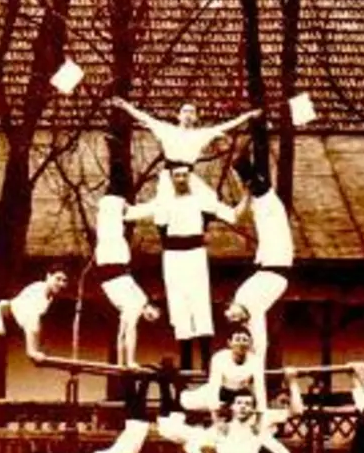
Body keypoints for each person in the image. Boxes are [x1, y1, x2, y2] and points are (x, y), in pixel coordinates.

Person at [125, 165, 238, 368]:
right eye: (177, 175)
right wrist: (122, 208)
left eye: (184, 175)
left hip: (195, 254)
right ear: (171, 178)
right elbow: (139, 211)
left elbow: (229, 213)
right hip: (173, 256)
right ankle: (185, 360)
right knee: (178, 303)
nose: (181, 179)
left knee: (200, 301)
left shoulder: (200, 200)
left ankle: (206, 360)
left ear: (190, 177)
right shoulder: (164, 203)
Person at [111, 96, 259, 205]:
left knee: (210, 201)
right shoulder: (166, 130)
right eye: (185, 111)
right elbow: (145, 117)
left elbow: (228, 125)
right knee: (164, 208)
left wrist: (248, 115)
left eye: (192, 112)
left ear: (195, 117)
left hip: (188, 175)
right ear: (178, 115)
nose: (188, 115)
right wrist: (125, 106)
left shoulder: (201, 134)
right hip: (169, 175)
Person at [223, 156, 293, 355]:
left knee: (263, 217)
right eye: (235, 317)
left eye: (229, 314)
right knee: (272, 214)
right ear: (243, 319)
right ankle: (245, 168)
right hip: (278, 261)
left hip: (266, 261)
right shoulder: (254, 311)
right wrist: (256, 358)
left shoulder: (240, 297)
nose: (231, 313)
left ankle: (247, 172)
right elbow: (260, 339)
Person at [94, 195, 162, 366]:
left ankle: (113, 203)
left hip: (109, 267)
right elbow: (130, 283)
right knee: (112, 231)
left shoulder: (134, 308)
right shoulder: (141, 300)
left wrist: (125, 362)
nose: (150, 316)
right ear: (153, 308)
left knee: (109, 229)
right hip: (119, 264)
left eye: (150, 319)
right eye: (153, 315)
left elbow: (125, 334)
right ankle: (127, 206)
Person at [180, 329, 268, 414]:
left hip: (239, 394)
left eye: (245, 340)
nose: (241, 344)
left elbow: (260, 389)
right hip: (219, 391)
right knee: (187, 402)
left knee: (242, 408)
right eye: (237, 340)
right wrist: (216, 419)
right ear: (229, 343)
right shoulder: (219, 358)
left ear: (250, 343)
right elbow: (214, 388)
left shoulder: (256, 361)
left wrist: (260, 417)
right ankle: (181, 393)